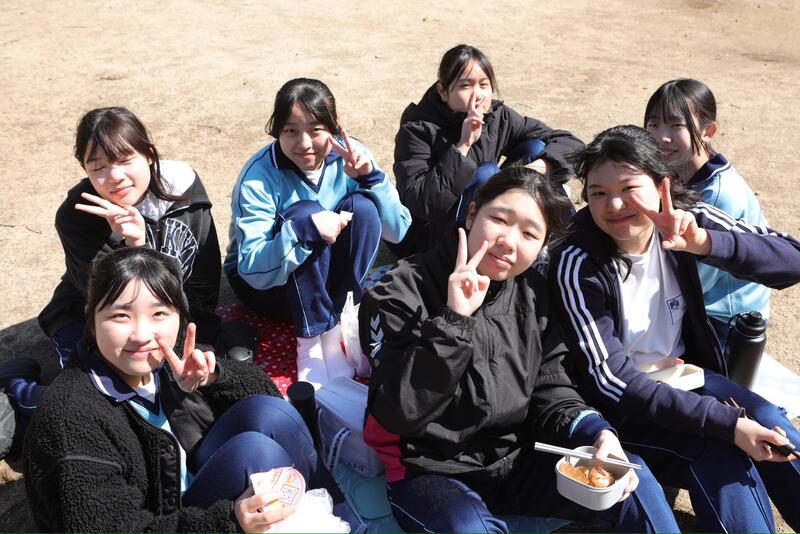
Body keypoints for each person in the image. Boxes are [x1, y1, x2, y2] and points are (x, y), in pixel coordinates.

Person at [360, 168, 680, 533]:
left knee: (631, 483)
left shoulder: (534, 292)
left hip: (516, 459)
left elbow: (551, 386)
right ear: (472, 214)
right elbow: (399, 412)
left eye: (529, 233)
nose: (509, 242)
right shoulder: (399, 291)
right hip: (429, 469)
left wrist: (595, 432)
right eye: (499, 220)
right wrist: (454, 320)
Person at [549, 124, 800, 532]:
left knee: (771, 420)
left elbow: (792, 257)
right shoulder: (578, 261)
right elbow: (613, 382)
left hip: (686, 377)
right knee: (719, 452)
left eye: (629, 188)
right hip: (623, 409)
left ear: (660, 184)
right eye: (598, 193)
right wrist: (728, 424)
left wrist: (704, 243)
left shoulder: (683, 219)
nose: (615, 205)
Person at [23, 247, 361, 532]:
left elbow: (270, 399)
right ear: (91, 316)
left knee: (270, 414)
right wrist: (229, 522)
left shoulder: (167, 362)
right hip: (162, 522)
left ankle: (344, 522)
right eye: (121, 316)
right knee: (258, 453)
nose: (141, 335)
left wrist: (213, 377)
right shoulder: (71, 419)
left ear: (179, 315)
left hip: (186, 491)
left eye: (159, 313)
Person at [5, 107, 223, 425]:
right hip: (91, 321)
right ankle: (20, 391)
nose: (115, 177)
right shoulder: (77, 214)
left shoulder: (184, 190)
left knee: (193, 389)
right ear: (85, 170)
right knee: (99, 409)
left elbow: (203, 271)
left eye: (124, 160)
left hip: (163, 321)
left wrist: (196, 338)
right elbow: (105, 302)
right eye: (98, 168)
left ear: (149, 153)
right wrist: (133, 246)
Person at [225, 78, 411, 389]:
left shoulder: (352, 155)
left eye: (315, 129)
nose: (304, 143)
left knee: (364, 207)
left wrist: (371, 178)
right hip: (271, 290)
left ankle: (335, 329)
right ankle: (309, 342)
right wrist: (305, 231)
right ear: (276, 130)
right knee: (305, 212)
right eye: (290, 130)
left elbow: (399, 232)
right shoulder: (258, 175)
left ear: (334, 126)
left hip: (329, 287)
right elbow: (252, 271)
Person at [391, 43, 584, 256]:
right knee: (486, 174)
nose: (478, 95)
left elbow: (570, 143)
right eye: (466, 86)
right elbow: (422, 204)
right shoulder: (417, 130)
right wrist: (463, 146)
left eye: (484, 85)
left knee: (535, 148)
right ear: (443, 91)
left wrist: (539, 167)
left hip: (483, 218)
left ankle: (566, 241)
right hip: (431, 238)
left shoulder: (497, 117)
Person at [645, 78, 769, 348]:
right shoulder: (680, 170)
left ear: (708, 131)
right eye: (653, 125)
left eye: (676, 125)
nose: (661, 137)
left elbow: (695, 282)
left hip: (723, 321)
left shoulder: (720, 195)